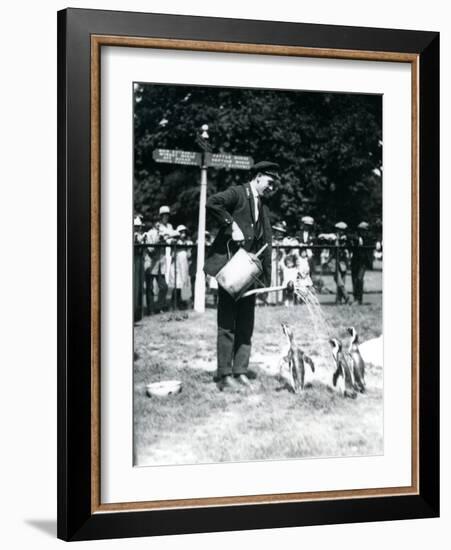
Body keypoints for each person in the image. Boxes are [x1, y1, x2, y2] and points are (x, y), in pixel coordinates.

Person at [204, 161, 280, 390]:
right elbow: (212, 202)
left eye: (274, 184)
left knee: (246, 323)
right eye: (269, 182)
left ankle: (240, 371)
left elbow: (265, 241)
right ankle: (225, 374)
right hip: (231, 271)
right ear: (258, 177)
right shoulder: (238, 193)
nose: (271, 187)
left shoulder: (263, 205)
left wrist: (265, 280)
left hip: (249, 274)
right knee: (227, 322)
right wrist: (231, 225)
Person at [144, 206, 174, 314]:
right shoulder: (149, 233)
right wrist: (159, 240)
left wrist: (167, 240)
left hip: (160, 264)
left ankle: (158, 306)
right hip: (151, 264)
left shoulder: (166, 229)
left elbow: (171, 238)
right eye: (163, 216)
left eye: (167, 215)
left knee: (164, 287)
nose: (157, 224)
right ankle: (150, 309)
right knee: (150, 288)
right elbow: (150, 249)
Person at [168, 225, 193, 309]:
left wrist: (188, 248)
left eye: (184, 232)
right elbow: (170, 243)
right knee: (176, 285)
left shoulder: (187, 242)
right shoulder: (174, 241)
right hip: (176, 265)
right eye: (181, 232)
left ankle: (179, 302)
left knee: (182, 284)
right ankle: (173, 304)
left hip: (183, 265)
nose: (183, 234)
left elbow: (189, 255)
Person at [351, 221, 372, 305]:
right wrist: (357, 239)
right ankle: (356, 298)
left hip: (363, 262)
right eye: (360, 230)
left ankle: (359, 299)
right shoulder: (356, 237)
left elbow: (373, 242)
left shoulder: (369, 238)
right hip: (355, 261)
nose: (362, 232)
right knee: (354, 280)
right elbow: (350, 236)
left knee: (359, 279)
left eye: (364, 230)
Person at [333, 221, 351, 304]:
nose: (340, 232)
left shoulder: (345, 239)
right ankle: (345, 297)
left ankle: (339, 299)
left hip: (343, 262)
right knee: (338, 280)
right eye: (338, 230)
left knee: (341, 282)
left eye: (341, 230)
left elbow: (345, 250)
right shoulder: (334, 238)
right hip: (335, 262)